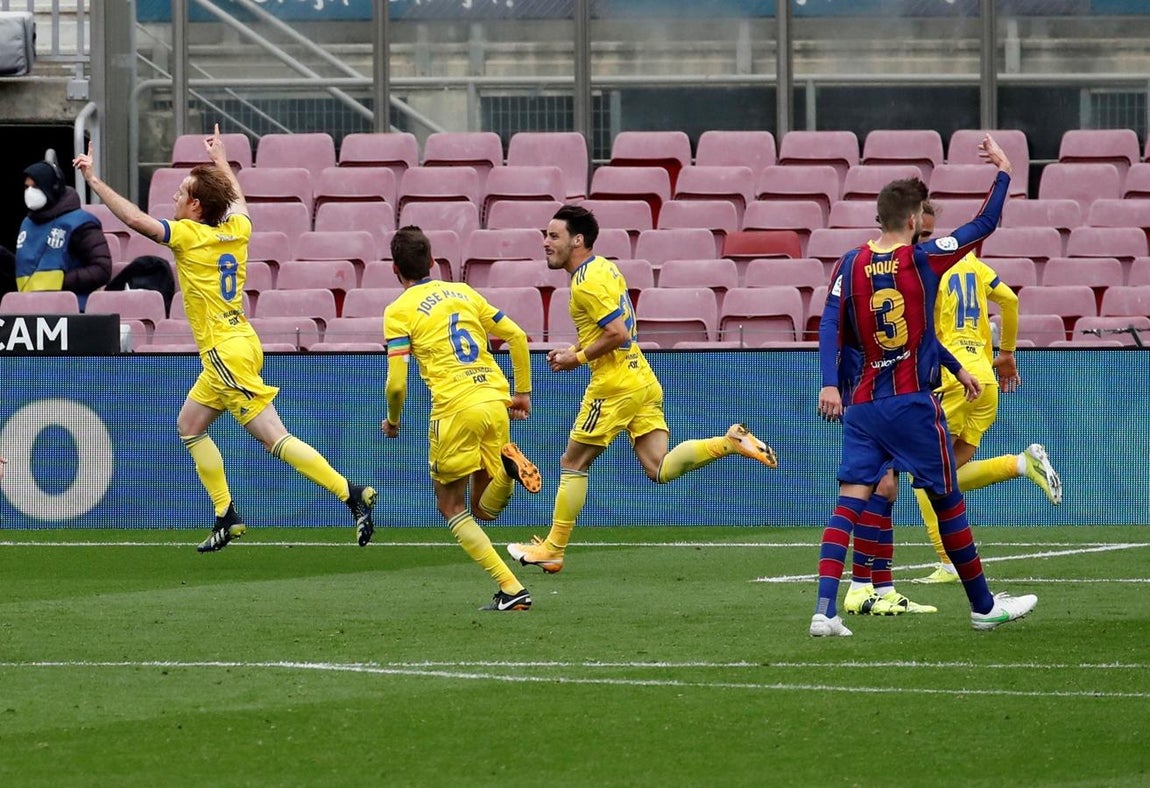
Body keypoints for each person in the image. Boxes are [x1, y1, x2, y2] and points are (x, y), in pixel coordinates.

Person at [73, 125, 377, 552]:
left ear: (196, 206)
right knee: (189, 426)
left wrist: (94, 180)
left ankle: (352, 494)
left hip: (223, 353)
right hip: (240, 340)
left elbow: (135, 220)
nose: (175, 197)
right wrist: (220, 158)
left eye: (181, 192)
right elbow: (236, 198)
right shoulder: (237, 229)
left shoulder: (189, 236)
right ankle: (226, 515)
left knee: (275, 438)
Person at [810, 133, 1037, 637]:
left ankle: (824, 611)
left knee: (850, 501)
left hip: (863, 403)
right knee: (947, 498)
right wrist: (1003, 173)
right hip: (912, 403)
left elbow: (829, 323)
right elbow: (984, 225)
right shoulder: (922, 258)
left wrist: (830, 384)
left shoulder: (849, 263)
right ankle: (983, 606)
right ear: (913, 221)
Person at [507, 205, 778, 574]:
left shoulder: (585, 281)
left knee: (572, 463)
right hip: (640, 377)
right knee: (659, 468)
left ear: (578, 240)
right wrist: (575, 349)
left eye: (553, 236)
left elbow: (616, 334)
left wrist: (578, 358)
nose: (545, 243)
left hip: (615, 384)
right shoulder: (603, 267)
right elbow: (610, 329)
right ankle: (727, 443)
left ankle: (553, 549)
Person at [381, 226, 541, 611]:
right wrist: (522, 393)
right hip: (495, 398)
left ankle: (511, 586)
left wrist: (393, 420)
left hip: (455, 408)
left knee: (451, 508)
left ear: (394, 270)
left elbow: (397, 385)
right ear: (434, 262)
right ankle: (506, 471)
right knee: (483, 508)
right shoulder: (464, 292)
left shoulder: (398, 311)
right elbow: (517, 336)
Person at [910, 201, 1062, 583]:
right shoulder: (971, 263)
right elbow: (1009, 301)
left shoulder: (925, 265)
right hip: (986, 380)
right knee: (943, 476)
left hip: (956, 379)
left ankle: (948, 562)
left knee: (922, 476)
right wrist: (1006, 353)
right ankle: (1020, 464)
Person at [1, 155, 111, 307]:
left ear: (52, 188)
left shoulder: (81, 222)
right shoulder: (27, 223)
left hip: (72, 313)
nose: (30, 192)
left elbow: (102, 269)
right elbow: (31, 273)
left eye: (35, 187)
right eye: (27, 187)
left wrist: (58, 282)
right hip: (30, 313)